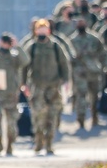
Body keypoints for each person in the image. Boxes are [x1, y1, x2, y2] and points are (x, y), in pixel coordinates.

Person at [21, 20, 70, 155]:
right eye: (39, 29)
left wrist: (66, 81)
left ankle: (49, 144)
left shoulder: (55, 46)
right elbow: (24, 66)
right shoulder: (32, 46)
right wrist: (23, 84)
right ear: (36, 31)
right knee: (38, 116)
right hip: (37, 87)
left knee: (52, 116)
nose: (42, 32)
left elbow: (64, 64)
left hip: (53, 87)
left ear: (49, 31)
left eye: (45, 29)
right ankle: (38, 141)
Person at [68, 15, 107, 130]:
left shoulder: (94, 38)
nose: (81, 25)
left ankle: (95, 116)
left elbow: (102, 53)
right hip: (80, 73)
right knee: (81, 95)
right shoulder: (72, 41)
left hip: (93, 71)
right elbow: (69, 59)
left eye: (82, 23)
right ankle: (81, 118)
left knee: (94, 96)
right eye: (79, 23)